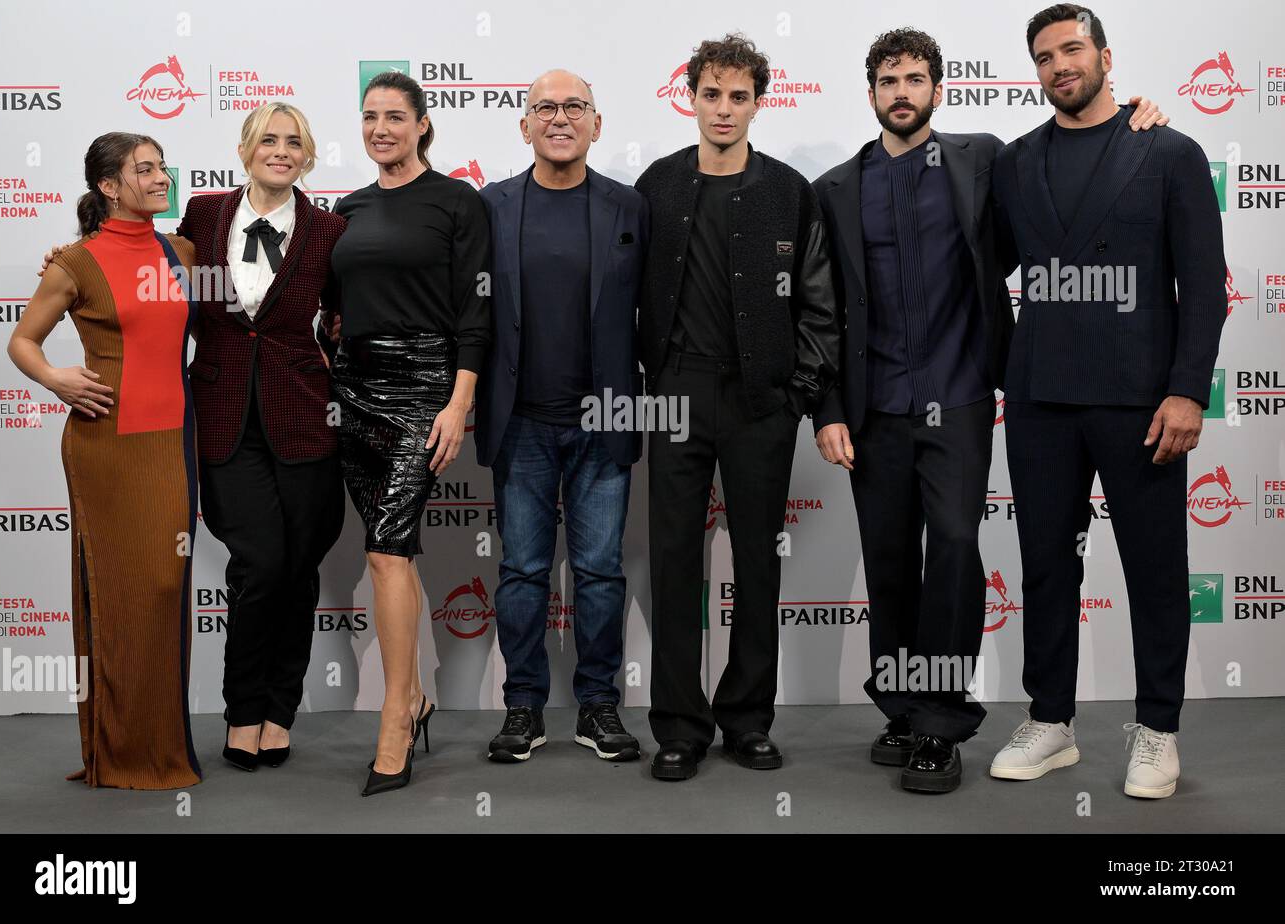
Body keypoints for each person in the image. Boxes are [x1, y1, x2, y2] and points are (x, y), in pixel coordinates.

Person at [812, 29, 1167, 794]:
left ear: (939, 88)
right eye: (887, 80)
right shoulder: (835, 188)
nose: (901, 91)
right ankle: (901, 708)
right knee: (889, 566)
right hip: (873, 408)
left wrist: (1138, 117)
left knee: (952, 548)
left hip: (963, 395)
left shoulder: (986, 161)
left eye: (914, 78)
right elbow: (823, 308)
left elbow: (1075, 159)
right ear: (869, 92)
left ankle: (940, 722)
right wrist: (828, 406)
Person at [987, 4, 1225, 799]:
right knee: (1046, 568)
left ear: (1105, 56)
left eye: (1072, 49)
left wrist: (1189, 390)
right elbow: (983, 271)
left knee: (1156, 571)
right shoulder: (1014, 163)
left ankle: (1157, 731)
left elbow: (1205, 286)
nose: (1060, 64)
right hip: (1040, 399)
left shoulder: (1171, 151)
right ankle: (1050, 722)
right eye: (1045, 55)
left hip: (1141, 403)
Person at [636, 34, 839, 781]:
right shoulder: (655, 186)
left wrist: (799, 392)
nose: (724, 109)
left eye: (739, 95)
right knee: (675, 562)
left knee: (758, 561)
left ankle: (748, 719)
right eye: (711, 94)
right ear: (691, 97)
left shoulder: (789, 189)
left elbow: (819, 303)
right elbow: (627, 296)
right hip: (676, 394)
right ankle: (680, 726)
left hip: (762, 399)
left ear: (759, 101)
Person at [9, 133, 201, 789]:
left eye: (160, 165)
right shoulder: (75, 263)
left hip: (172, 442)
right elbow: (23, 342)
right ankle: (120, 754)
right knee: (120, 595)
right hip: (106, 444)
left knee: (163, 590)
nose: (159, 175)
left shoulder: (181, 253)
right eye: (143, 169)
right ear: (109, 187)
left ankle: (153, 744)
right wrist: (56, 379)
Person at [322, 70, 490, 796]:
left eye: (395, 116)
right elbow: (314, 297)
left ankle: (395, 716)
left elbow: (477, 311)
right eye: (370, 117)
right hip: (353, 390)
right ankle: (416, 694)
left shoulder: (458, 202)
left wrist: (458, 405)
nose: (381, 128)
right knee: (396, 555)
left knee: (386, 552)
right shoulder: (345, 209)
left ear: (423, 124)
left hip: (425, 387)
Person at [476, 69, 647, 763]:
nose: (559, 117)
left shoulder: (630, 207)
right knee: (522, 572)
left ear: (596, 124)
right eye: (544, 106)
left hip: (604, 420)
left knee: (601, 572)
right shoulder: (490, 206)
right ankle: (523, 709)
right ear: (524, 127)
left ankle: (598, 707)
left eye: (575, 105)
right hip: (520, 423)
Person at [175, 102, 347, 771]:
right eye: (268, 139)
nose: (281, 150)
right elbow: (148, 263)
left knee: (297, 571)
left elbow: (344, 314)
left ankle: (280, 711)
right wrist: (72, 253)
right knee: (260, 566)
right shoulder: (203, 213)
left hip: (305, 416)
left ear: (308, 156)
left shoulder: (329, 230)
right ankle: (242, 710)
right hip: (222, 414)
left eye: (294, 142)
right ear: (245, 149)